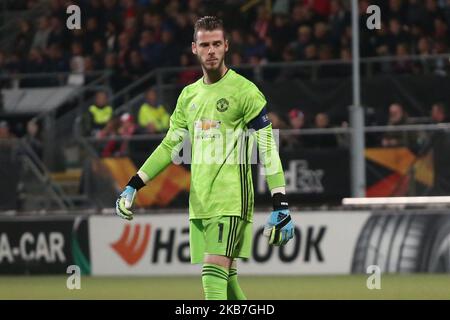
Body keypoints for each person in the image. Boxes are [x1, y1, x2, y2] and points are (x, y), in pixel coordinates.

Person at [115, 16, 294, 300]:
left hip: (231, 199)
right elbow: (169, 146)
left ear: (226, 46)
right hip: (200, 202)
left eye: (216, 44)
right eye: (204, 45)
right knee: (227, 280)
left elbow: (267, 147)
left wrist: (280, 202)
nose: (211, 51)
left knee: (212, 273)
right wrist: (134, 184)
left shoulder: (244, 91)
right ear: (194, 48)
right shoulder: (188, 96)